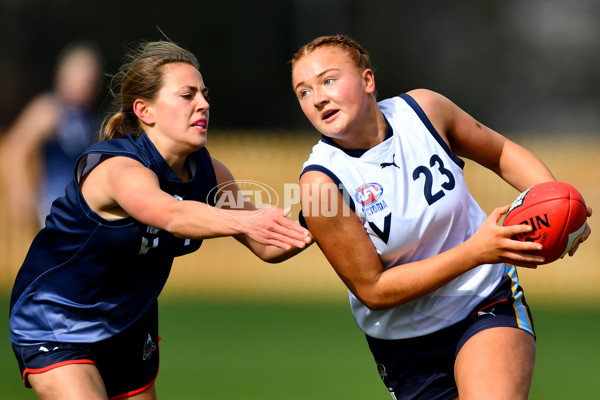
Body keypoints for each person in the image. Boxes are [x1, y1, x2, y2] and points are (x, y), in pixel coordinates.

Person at [290, 35, 592, 400]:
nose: (317, 97)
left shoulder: (423, 111)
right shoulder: (320, 184)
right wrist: (476, 251)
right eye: (303, 92)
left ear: (368, 81)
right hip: (404, 344)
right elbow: (374, 289)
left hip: (482, 299)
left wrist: (560, 203)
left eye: (328, 80)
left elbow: (500, 152)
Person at [9, 40, 311, 400]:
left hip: (129, 323)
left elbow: (265, 245)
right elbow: (170, 213)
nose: (204, 103)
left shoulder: (210, 173)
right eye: (187, 95)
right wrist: (246, 220)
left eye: (204, 94)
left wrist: (325, 216)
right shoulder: (118, 169)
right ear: (145, 111)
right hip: (57, 320)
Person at [1, 41, 104, 230]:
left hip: (84, 205)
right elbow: (15, 148)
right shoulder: (49, 108)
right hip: (53, 204)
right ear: (63, 75)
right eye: (80, 74)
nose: (86, 82)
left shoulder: (90, 116)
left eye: (91, 78)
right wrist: (20, 192)